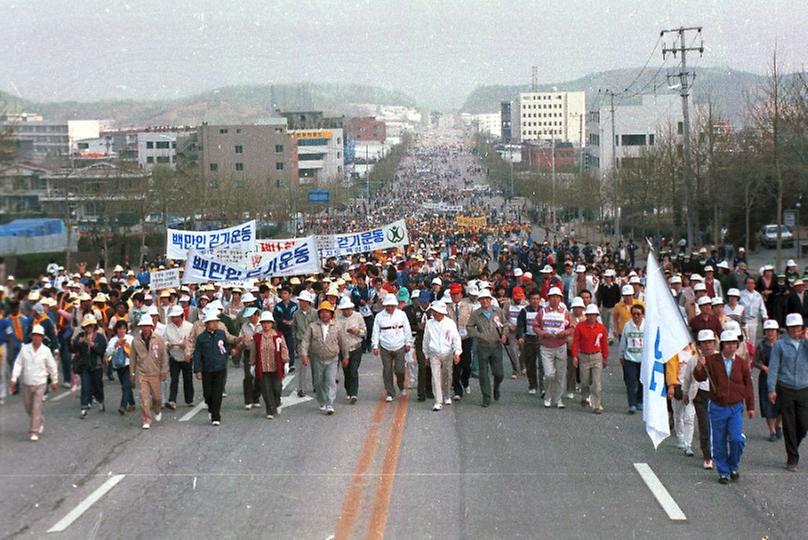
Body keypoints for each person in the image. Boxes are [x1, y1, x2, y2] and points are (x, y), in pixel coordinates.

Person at [694, 330, 755, 484]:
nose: (731, 347)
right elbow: (699, 377)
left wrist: (751, 406)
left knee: (736, 439)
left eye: (734, 344)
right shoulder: (711, 360)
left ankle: (733, 465)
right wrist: (700, 367)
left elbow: (748, 384)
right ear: (722, 345)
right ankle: (723, 471)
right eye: (727, 344)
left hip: (735, 407)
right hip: (717, 406)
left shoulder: (741, 363)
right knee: (719, 440)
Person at [767, 313, 808, 472]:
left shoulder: (805, 343)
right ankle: (792, 457)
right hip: (786, 387)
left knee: (803, 424)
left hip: (804, 387)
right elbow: (774, 368)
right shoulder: (780, 345)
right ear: (788, 328)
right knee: (789, 424)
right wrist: (771, 388)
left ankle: (793, 447)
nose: (795, 330)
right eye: (792, 327)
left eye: (798, 327)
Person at [9, 325, 58, 441]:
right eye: (34, 335)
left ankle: (34, 431)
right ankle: (39, 419)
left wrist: (54, 380)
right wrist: (14, 378)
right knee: (28, 407)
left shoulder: (45, 351)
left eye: (39, 336)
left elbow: (52, 366)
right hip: (27, 382)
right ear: (31, 336)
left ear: (42, 337)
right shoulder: (25, 349)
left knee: (36, 406)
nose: (36, 338)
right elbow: (18, 364)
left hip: (40, 382)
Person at [301, 301, 348, 414]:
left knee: (330, 381)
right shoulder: (312, 326)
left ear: (331, 314)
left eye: (327, 312)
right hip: (317, 358)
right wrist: (304, 354)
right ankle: (322, 401)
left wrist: (345, 356)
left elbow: (343, 342)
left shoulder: (337, 327)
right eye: (322, 312)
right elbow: (306, 341)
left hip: (332, 358)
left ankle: (329, 403)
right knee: (318, 382)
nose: (324, 314)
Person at [465, 289, 506, 408]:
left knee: (499, 373)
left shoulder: (497, 311)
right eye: (482, 299)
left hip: (496, 344)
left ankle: (496, 387)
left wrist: (504, 335)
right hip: (482, 345)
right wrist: (479, 335)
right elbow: (469, 327)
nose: (485, 301)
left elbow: (505, 324)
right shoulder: (475, 313)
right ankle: (486, 397)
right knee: (483, 373)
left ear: (490, 300)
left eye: (487, 299)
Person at [682, 330, 716, 469]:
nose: (707, 346)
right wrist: (685, 392)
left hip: (716, 396)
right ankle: (707, 455)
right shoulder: (694, 360)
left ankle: (716, 451)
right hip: (700, 395)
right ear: (699, 345)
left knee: (717, 426)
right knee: (704, 425)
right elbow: (688, 378)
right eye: (704, 343)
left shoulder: (720, 358)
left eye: (710, 342)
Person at [533, 286, 572, 408]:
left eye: (557, 297)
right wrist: (543, 333)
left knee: (560, 374)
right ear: (549, 298)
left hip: (561, 346)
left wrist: (564, 333)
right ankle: (548, 396)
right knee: (549, 374)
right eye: (552, 297)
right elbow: (535, 326)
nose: (555, 299)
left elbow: (571, 327)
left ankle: (558, 399)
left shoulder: (565, 313)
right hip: (546, 347)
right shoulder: (542, 312)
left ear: (560, 299)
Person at [422, 300, 462, 411]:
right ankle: (438, 401)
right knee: (435, 376)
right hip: (434, 353)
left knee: (447, 375)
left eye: (438, 312)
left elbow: (456, 338)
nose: (436, 314)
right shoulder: (429, 324)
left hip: (447, 353)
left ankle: (446, 394)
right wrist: (426, 355)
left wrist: (457, 352)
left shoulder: (450, 323)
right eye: (434, 312)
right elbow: (426, 339)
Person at [372, 295, 413, 402]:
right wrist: (375, 345)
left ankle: (401, 384)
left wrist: (408, 342)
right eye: (388, 306)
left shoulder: (401, 315)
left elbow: (407, 329)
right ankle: (390, 392)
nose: (390, 308)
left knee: (399, 369)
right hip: (385, 346)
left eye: (392, 306)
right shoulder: (379, 316)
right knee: (387, 370)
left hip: (399, 345)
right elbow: (376, 331)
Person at [193, 311, 231, 426]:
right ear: (207, 324)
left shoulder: (221, 334)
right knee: (208, 393)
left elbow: (226, 346)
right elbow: (197, 354)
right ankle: (210, 407)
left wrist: (226, 355)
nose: (215, 324)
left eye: (216, 322)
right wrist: (198, 370)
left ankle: (216, 416)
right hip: (207, 368)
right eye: (212, 322)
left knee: (217, 393)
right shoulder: (201, 338)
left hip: (220, 367)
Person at [131, 317, 169, 430]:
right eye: (143, 326)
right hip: (142, 373)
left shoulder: (159, 339)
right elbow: (133, 358)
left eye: (147, 326)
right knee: (144, 398)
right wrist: (132, 373)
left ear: (151, 326)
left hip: (155, 373)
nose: (145, 328)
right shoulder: (136, 340)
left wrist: (164, 371)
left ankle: (157, 410)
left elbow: (164, 356)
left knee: (157, 397)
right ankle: (147, 418)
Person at [250, 311, 289, 419]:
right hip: (263, 367)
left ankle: (276, 401)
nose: (266, 325)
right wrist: (252, 364)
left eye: (268, 322)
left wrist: (286, 362)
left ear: (272, 323)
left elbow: (284, 349)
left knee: (277, 387)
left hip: (275, 367)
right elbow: (254, 351)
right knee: (266, 389)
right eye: (264, 323)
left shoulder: (278, 336)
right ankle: (270, 410)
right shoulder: (257, 337)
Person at [572, 304, 609, 414]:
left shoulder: (601, 328)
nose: (591, 317)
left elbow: (604, 343)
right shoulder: (580, 326)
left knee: (597, 383)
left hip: (597, 356)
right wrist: (575, 356)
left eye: (594, 315)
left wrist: (605, 357)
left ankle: (596, 405)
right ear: (586, 315)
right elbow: (576, 342)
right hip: (584, 356)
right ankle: (585, 396)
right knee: (585, 380)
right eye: (589, 315)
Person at [72, 314, 107, 419]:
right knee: (85, 386)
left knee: (97, 386)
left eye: (91, 326)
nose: (89, 328)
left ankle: (100, 400)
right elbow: (74, 347)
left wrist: (93, 345)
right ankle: (84, 407)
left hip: (97, 366)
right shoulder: (81, 336)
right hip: (85, 366)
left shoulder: (100, 337)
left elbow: (102, 350)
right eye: (87, 326)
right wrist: (79, 342)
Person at [755, 319, 782, 442]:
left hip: (781, 377)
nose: (770, 333)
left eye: (772, 330)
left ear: (777, 332)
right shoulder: (761, 346)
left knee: (781, 404)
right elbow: (755, 361)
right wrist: (763, 367)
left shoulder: (782, 344)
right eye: (768, 330)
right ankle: (772, 431)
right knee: (768, 404)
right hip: (766, 378)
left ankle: (777, 425)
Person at [336, 297, 366, 403]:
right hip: (343, 349)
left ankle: (354, 393)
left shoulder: (358, 316)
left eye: (348, 309)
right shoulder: (337, 318)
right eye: (344, 309)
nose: (347, 311)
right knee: (346, 371)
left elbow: (364, 332)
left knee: (354, 370)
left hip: (356, 346)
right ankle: (348, 390)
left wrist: (356, 331)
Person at [164, 305, 194, 409]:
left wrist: (186, 346)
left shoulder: (190, 326)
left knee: (188, 378)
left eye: (176, 317)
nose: (174, 319)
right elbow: (164, 340)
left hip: (186, 356)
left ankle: (189, 399)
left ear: (181, 316)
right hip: (174, 356)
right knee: (174, 378)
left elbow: (193, 341)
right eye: (172, 317)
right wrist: (167, 344)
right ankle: (172, 400)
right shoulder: (168, 327)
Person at [104, 320, 136, 415]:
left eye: (123, 328)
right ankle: (132, 402)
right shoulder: (113, 340)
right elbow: (108, 353)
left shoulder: (130, 338)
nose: (122, 331)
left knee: (126, 385)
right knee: (125, 385)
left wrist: (126, 347)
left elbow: (134, 352)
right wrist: (115, 346)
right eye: (119, 328)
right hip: (118, 365)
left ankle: (123, 405)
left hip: (128, 364)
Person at [618, 303, 645, 414]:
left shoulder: (647, 326)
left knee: (641, 381)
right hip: (630, 358)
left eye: (638, 314)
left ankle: (639, 400)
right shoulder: (627, 326)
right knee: (631, 381)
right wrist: (621, 355)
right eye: (633, 314)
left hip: (643, 359)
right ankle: (632, 404)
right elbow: (623, 341)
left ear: (643, 315)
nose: (636, 316)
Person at [292, 290, 319, 397]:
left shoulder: (315, 313)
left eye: (303, 301)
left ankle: (316, 385)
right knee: (302, 366)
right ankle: (301, 388)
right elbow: (294, 327)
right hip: (301, 341)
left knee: (315, 365)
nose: (301, 303)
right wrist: (295, 340)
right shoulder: (296, 314)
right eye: (300, 301)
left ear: (308, 302)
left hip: (313, 341)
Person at [516, 290, 542, 396]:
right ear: (529, 300)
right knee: (530, 363)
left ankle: (543, 386)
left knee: (542, 364)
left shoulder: (543, 310)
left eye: (537, 299)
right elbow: (520, 324)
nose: (535, 301)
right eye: (533, 299)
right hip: (529, 339)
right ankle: (532, 385)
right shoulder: (524, 311)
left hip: (541, 339)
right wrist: (520, 336)